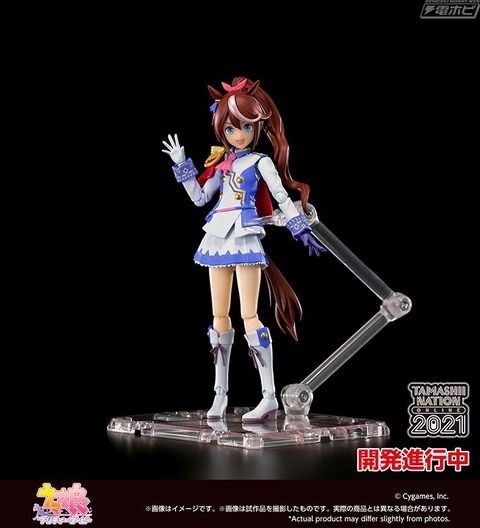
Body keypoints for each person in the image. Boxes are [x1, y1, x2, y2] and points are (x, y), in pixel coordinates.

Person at [162, 77, 325, 423]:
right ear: (222, 129)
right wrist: (182, 164)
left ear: (257, 127)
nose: (238, 135)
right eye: (231, 128)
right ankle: (219, 396)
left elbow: (281, 196)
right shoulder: (221, 162)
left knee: (250, 315)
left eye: (246, 127)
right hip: (218, 238)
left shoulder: (260, 161)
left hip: (246, 235)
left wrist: (299, 226)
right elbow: (199, 199)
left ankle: (269, 398)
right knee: (218, 317)